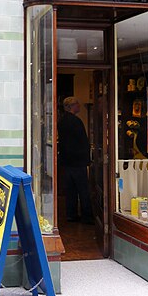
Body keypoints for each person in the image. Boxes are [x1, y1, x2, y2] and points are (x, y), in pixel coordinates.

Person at [59, 96, 94, 224]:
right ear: (72, 106)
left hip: (67, 161)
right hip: (78, 161)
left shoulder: (61, 121)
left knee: (70, 190)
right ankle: (87, 216)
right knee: (83, 189)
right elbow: (82, 141)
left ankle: (71, 214)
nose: (79, 106)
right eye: (77, 104)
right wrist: (87, 158)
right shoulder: (76, 121)